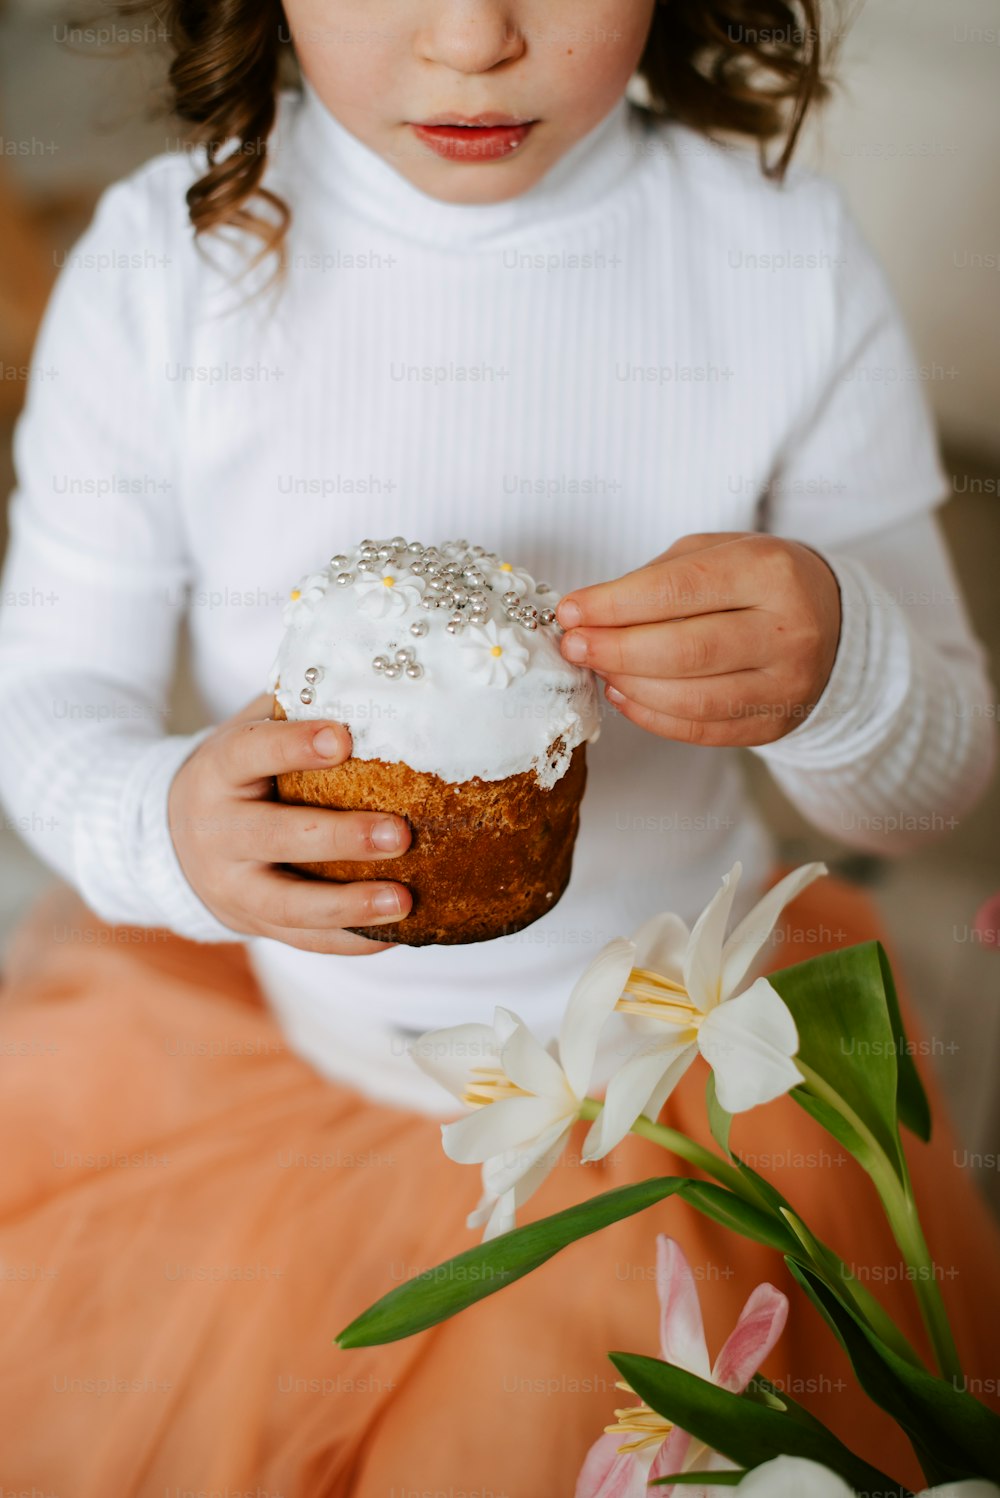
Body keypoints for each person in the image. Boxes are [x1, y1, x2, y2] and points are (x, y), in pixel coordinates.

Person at [0, 2, 997, 1493]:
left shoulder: (777, 260)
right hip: (257, 1055)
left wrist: (843, 667)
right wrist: (161, 826)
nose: (472, 37)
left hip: (671, 1090)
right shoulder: (166, 267)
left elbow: (939, 787)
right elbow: (45, 697)